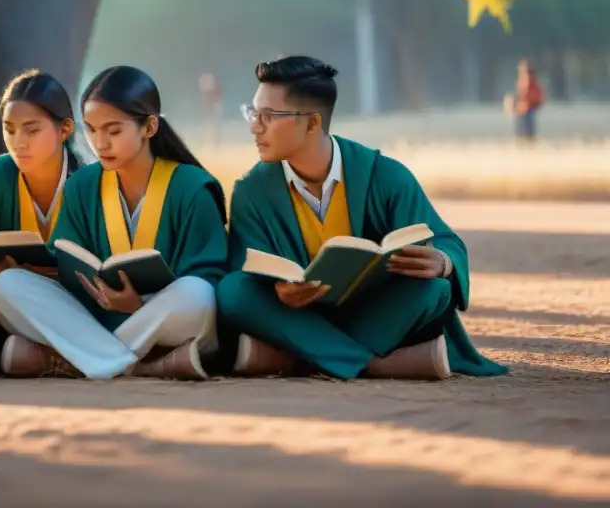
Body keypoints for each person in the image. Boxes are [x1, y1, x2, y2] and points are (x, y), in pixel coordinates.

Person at [217, 56, 506, 381]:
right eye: (253, 113)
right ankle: (372, 364)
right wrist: (278, 289)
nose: (255, 126)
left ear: (312, 123)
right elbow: (247, 268)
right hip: (298, 317)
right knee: (233, 290)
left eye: (268, 116)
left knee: (433, 290)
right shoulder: (252, 190)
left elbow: (446, 241)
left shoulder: (386, 176)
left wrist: (442, 261)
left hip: (373, 314)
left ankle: (303, 359)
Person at [0, 66, 229, 380]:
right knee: (8, 286)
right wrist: (42, 268)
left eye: (113, 131)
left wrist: (139, 303)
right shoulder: (82, 185)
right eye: (91, 130)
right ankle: (140, 365)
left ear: (149, 127)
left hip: (165, 320)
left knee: (196, 294)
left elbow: (208, 277)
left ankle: (75, 360)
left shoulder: (193, 188)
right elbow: (69, 260)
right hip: (95, 316)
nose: (99, 143)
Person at [0, 70, 79, 278]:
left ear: (65, 129)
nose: (18, 144)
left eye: (32, 131)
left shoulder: (91, 181)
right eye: (9, 130)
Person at [513, 59, 545, 142]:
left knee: (526, 125)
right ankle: (526, 139)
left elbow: (524, 93)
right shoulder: (526, 79)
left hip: (528, 106)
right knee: (524, 125)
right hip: (524, 106)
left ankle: (527, 139)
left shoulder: (528, 78)